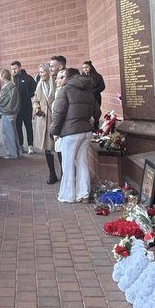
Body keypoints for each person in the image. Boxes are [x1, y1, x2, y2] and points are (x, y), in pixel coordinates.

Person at [50, 66, 102, 203]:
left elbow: (58, 114)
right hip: (86, 130)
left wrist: (54, 131)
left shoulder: (65, 90)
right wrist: (92, 121)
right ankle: (83, 194)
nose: (59, 79)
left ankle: (68, 195)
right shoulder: (88, 89)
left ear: (68, 77)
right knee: (82, 162)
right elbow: (97, 112)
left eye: (62, 76)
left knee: (67, 165)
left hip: (70, 132)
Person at [33, 62, 60, 184]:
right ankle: (52, 174)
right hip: (43, 120)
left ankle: (64, 173)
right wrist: (37, 108)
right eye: (39, 73)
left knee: (59, 147)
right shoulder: (39, 85)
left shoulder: (55, 83)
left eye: (42, 72)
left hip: (55, 119)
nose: (41, 74)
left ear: (48, 72)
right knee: (47, 149)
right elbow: (35, 99)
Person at [10, 62, 36, 153]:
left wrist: (28, 95)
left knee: (28, 126)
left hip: (26, 106)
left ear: (20, 68)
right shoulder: (12, 80)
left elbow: (34, 88)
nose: (13, 70)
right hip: (17, 108)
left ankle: (30, 145)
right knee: (18, 127)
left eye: (15, 68)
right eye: (12, 69)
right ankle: (20, 145)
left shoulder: (28, 78)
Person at [0, 67, 20, 158]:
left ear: (2, 76)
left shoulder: (6, 87)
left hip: (7, 112)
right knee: (14, 132)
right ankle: (17, 151)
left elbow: (2, 101)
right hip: (14, 112)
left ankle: (12, 153)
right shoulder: (13, 85)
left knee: (8, 134)